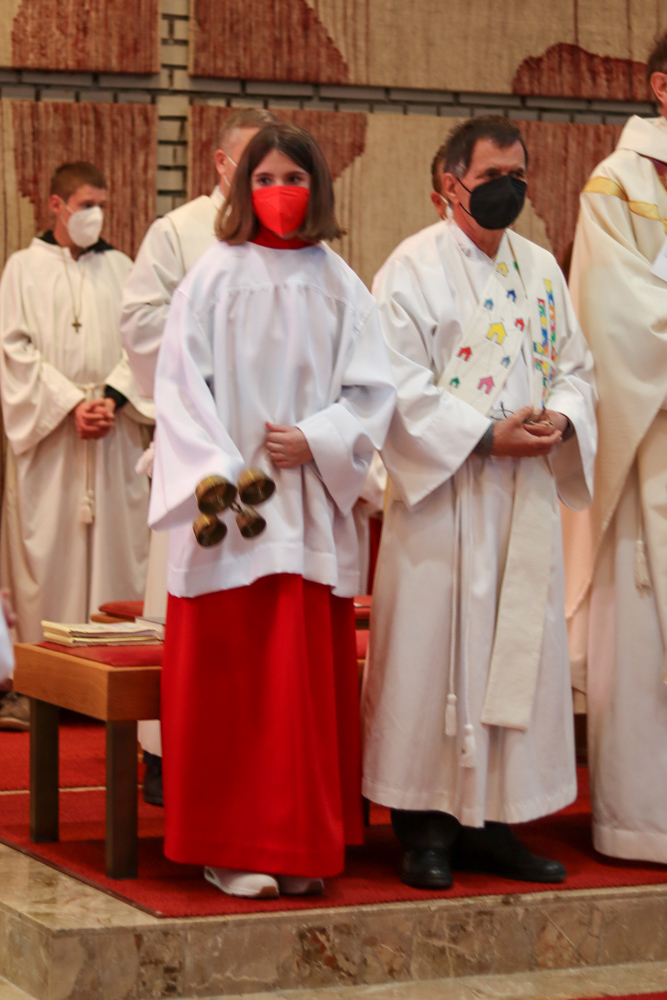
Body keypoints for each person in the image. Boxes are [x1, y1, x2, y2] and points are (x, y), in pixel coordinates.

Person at [149, 122, 396, 899]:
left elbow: (373, 391)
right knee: (236, 686)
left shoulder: (340, 283)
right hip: (232, 521)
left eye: (293, 177)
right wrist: (224, 477)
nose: (279, 192)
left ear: (316, 187)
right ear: (239, 187)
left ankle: (296, 845)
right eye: (264, 179)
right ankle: (228, 846)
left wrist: (317, 439)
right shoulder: (212, 277)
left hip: (308, 507)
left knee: (298, 690)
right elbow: (178, 389)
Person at [361, 116, 597, 890]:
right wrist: (483, 437)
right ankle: (423, 828)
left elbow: (575, 368)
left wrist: (562, 419)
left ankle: (495, 822)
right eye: (493, 175)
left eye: (519, 176)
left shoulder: (539, 268)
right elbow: (392, 384)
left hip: (521, 499)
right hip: (444, 496)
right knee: (429, 656)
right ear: (450, 184)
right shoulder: (411, 267)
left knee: (512, 656)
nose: (509, 189)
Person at [121, 108, 277, 799]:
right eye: (253, 162)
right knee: (184, 598)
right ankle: (167, 751)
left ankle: (256, 745)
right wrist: (218, 344)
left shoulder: (293, 243)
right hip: (199, 448)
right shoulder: (179, 231)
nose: (267, 178)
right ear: (221, 163)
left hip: (271, 449)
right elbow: (139, 323)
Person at [566, 34, 667, 863]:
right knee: (639, 626)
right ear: (661, 88)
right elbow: (615, 310)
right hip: (648, 439)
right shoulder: (617, 182)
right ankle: (641, 821)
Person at [0, 162, 152, 658]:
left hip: (113, 430)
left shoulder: (123, 268)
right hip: (52, 437)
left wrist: (110, 398)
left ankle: (113, 667)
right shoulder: (23, 268)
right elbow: (14, 349)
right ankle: (44, 672)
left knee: (118, 554)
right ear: (56, 205)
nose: (96, 216)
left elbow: (142, 344)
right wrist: (71, 405)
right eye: (87, 205)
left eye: (102, 206)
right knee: (49, 555)